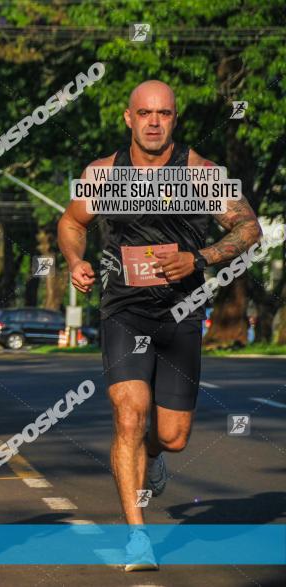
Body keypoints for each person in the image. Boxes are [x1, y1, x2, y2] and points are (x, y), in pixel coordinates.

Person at [57, 80, 261, 572]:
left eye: (163, 114)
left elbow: (249, 228)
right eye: (144, 113)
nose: (153, 122)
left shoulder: (202, 172)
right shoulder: (102, 174)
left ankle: (157, 455)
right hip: (123, 308)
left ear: (174, 119)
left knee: (172, 436)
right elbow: (71, 222)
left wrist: (201, 258)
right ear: (128, 118)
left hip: (181, 311)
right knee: (129, 415)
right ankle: (137, 537)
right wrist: (74, 261)